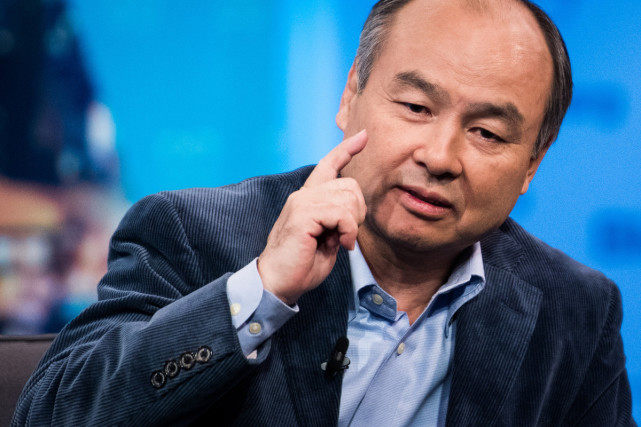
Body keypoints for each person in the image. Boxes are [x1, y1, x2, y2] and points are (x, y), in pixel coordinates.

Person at [13, 0, 635, 425]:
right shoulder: (190, 234)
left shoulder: (575, 309)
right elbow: (52, 413)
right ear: (350, 96)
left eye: (488, 134)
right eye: (416, 108)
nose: (440, 157)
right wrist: (260, 292)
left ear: (532, 164)